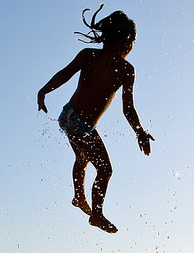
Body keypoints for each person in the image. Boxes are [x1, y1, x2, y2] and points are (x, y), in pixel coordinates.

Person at [37, 6, 154, 234]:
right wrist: (139, 131)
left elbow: (64, 74)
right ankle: (96, 215)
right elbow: (128, 109)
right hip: (83, 127)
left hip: (67, 116)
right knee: (105, 170)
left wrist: (43, 91)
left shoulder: (88, 55)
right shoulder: (125, 69)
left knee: (82, 157)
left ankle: (79, 197)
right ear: (126, 42)